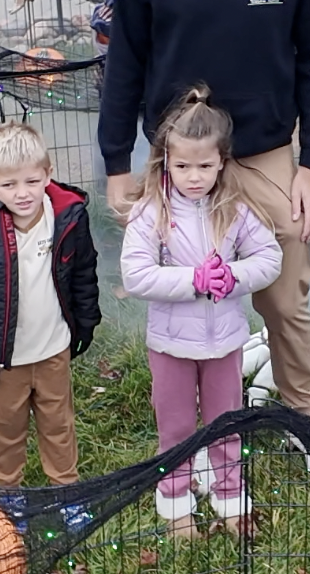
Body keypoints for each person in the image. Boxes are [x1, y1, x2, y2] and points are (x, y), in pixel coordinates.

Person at [96, 0, 310, 433]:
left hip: (263, 154)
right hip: (176, 162)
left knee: (285, 300)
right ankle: (186, 424)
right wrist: (116, 163)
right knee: (176, 288)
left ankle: (301, 418)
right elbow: (124, 60)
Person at [118, 88, 282, 536]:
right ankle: (176, 505)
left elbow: (269, 259)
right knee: (175, 428)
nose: (194, 177)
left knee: (226, 426)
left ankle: (230, 498)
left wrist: (232, 275)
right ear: (165, 162)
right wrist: (193, 281)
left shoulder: (236, 208)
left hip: (225, 341)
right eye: (183, 166)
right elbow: (136, 276)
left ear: (223, 162)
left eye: (205, 166)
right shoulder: (151, 212)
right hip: (171, 344)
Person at [0, 122, 100, 487]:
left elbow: (83, 272)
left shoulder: (68, 217)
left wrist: (86, 322)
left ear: (48, 173)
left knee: (59, 424)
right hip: (3, 358)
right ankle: (8, 490)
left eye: (32, 181)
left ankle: (65, 488)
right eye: (9, 184)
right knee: (3, 429)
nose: (23, 193)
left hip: (52, 350)